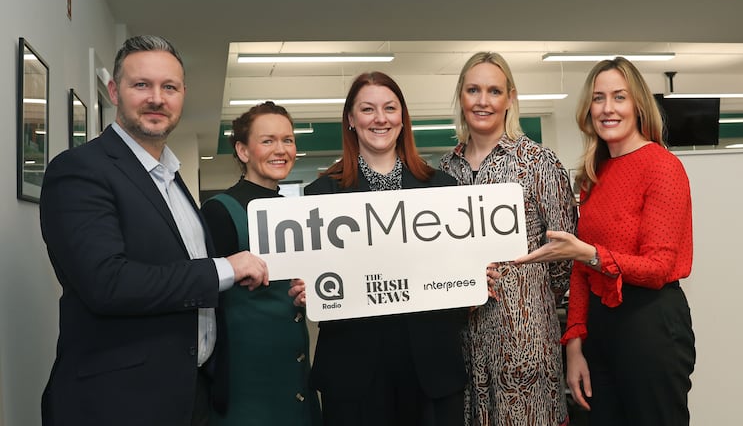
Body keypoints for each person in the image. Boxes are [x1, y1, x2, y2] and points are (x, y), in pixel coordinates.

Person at [39, 35, 269, 426]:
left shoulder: (172, 179)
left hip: (190, 394)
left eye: (170, 87)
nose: (156, 99)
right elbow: (107, 283)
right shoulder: (80, 170)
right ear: (114, 91)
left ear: (182, 95)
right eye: (141, 85)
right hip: (119, 404)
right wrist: (225, 269)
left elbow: (178, 276)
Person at [516, 57, 696, 426]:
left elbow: (658, 267)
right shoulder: (593, 175)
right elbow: (582, 272)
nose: (607, 108)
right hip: (601, 330)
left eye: (619, 97)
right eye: (599, 98)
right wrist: (575, 344)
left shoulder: (662, 166)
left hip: (651, 326)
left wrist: (589, 253)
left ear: (638, 106)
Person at [300, 71, 468, 426]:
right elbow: (315, 279)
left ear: (403, 118)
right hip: (353, 371)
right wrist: (307, 287)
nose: (380, 118)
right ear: (350, 119)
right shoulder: (320, 196)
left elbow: (457, 269)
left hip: (430, 368)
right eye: (367, 109)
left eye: (390, 108)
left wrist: (471, 274)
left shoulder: (442, 189)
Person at [439, 51, 576, 426]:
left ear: (510, 98)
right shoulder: (442, 173)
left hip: (524, 344)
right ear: (461, 97)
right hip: (464, 344)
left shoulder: (539, 164)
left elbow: (564, 262)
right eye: (473, 90)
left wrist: (525, 297)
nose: (483, 101)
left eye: (494, 91)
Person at [200, 102, 321, 426]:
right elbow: (203, 292)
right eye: (267, 141)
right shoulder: (220, 211)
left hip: (296, 373)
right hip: (246, 380)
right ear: (243, 150)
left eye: (288, 140)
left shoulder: (293, 212)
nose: (281, 150)